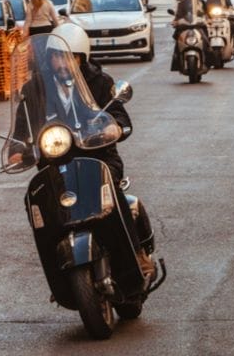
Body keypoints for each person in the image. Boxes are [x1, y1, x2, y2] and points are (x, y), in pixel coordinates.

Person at [48, 25, 156, 280]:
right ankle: (57, 270)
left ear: (81, 58)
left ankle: (137, 254)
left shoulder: (100, 82)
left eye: (69, 57)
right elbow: (23, 124)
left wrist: (115, 126)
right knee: (40, 204)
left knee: (111, 196)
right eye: (56, 56)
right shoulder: (38, 88)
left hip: (98, 158)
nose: (62, 63)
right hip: (56, 164)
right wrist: (19, 146)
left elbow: (119, 115)